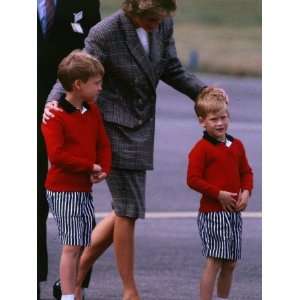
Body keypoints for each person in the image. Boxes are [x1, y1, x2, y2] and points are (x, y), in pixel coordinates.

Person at [43, 1, 226, 299]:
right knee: (128, 210)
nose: (157, 24)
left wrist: (204, 92)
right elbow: (75, 70)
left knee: (125, 208)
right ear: (133, 11)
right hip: (112, 127)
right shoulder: (106, 32)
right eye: (151, 19)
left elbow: (172, 68)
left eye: (160, 18)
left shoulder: (163, 22)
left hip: (141, 126)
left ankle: (75, 275)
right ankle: (129, 290)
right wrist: (54, 103)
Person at [37, 1, 101, 298]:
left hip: (68, 109)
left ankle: (74, 288)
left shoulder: (86, 2)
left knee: (78, 234)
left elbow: (94, 49)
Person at [41, 50, 112, 300]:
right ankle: (69, 295)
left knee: (82, 243)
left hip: (83, 189)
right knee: (71, 246)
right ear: (78, 85)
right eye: (96, 83)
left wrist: (103, 167)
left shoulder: (91, 110)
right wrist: (88, 166)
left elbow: (102, 142)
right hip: (63, 189)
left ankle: (72, 290)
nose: (100, 88)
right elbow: (57, 156)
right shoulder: (54, 117)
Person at [186, 87, 253, 300]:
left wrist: (246, 192)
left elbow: (246, 172)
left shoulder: (237, 145)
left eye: (223, 117)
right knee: (215, 260)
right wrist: (218, 194)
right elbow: (193, 179)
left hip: (233, 213)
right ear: (202, 121)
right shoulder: (201, 149)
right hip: (212, 214)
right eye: (214, 119)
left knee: (230, 262)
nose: (220, 123)